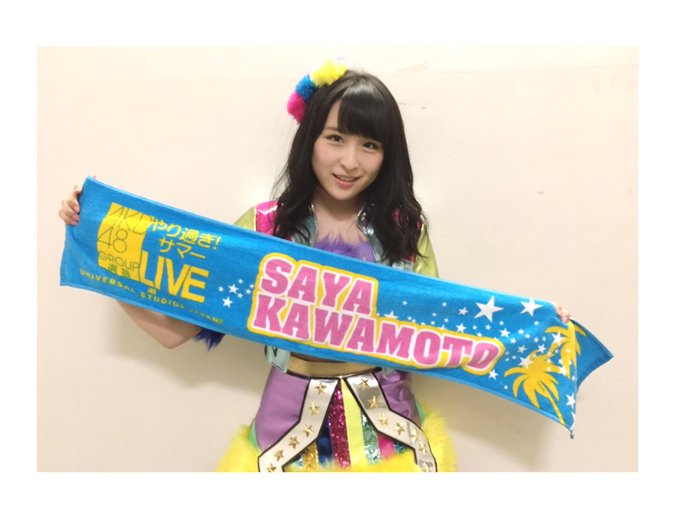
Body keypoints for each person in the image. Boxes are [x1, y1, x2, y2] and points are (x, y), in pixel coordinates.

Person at [59, 59, 570, 472]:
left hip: (391, 439)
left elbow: (444, 332)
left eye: (370, 145)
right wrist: (99, 251)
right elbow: (174, 331)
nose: (350, 161)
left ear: (387, 155)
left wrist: (535, 330)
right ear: (310, 140)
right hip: (285, 436)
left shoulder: (403, 230)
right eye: (336, 138)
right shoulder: (263, 230)